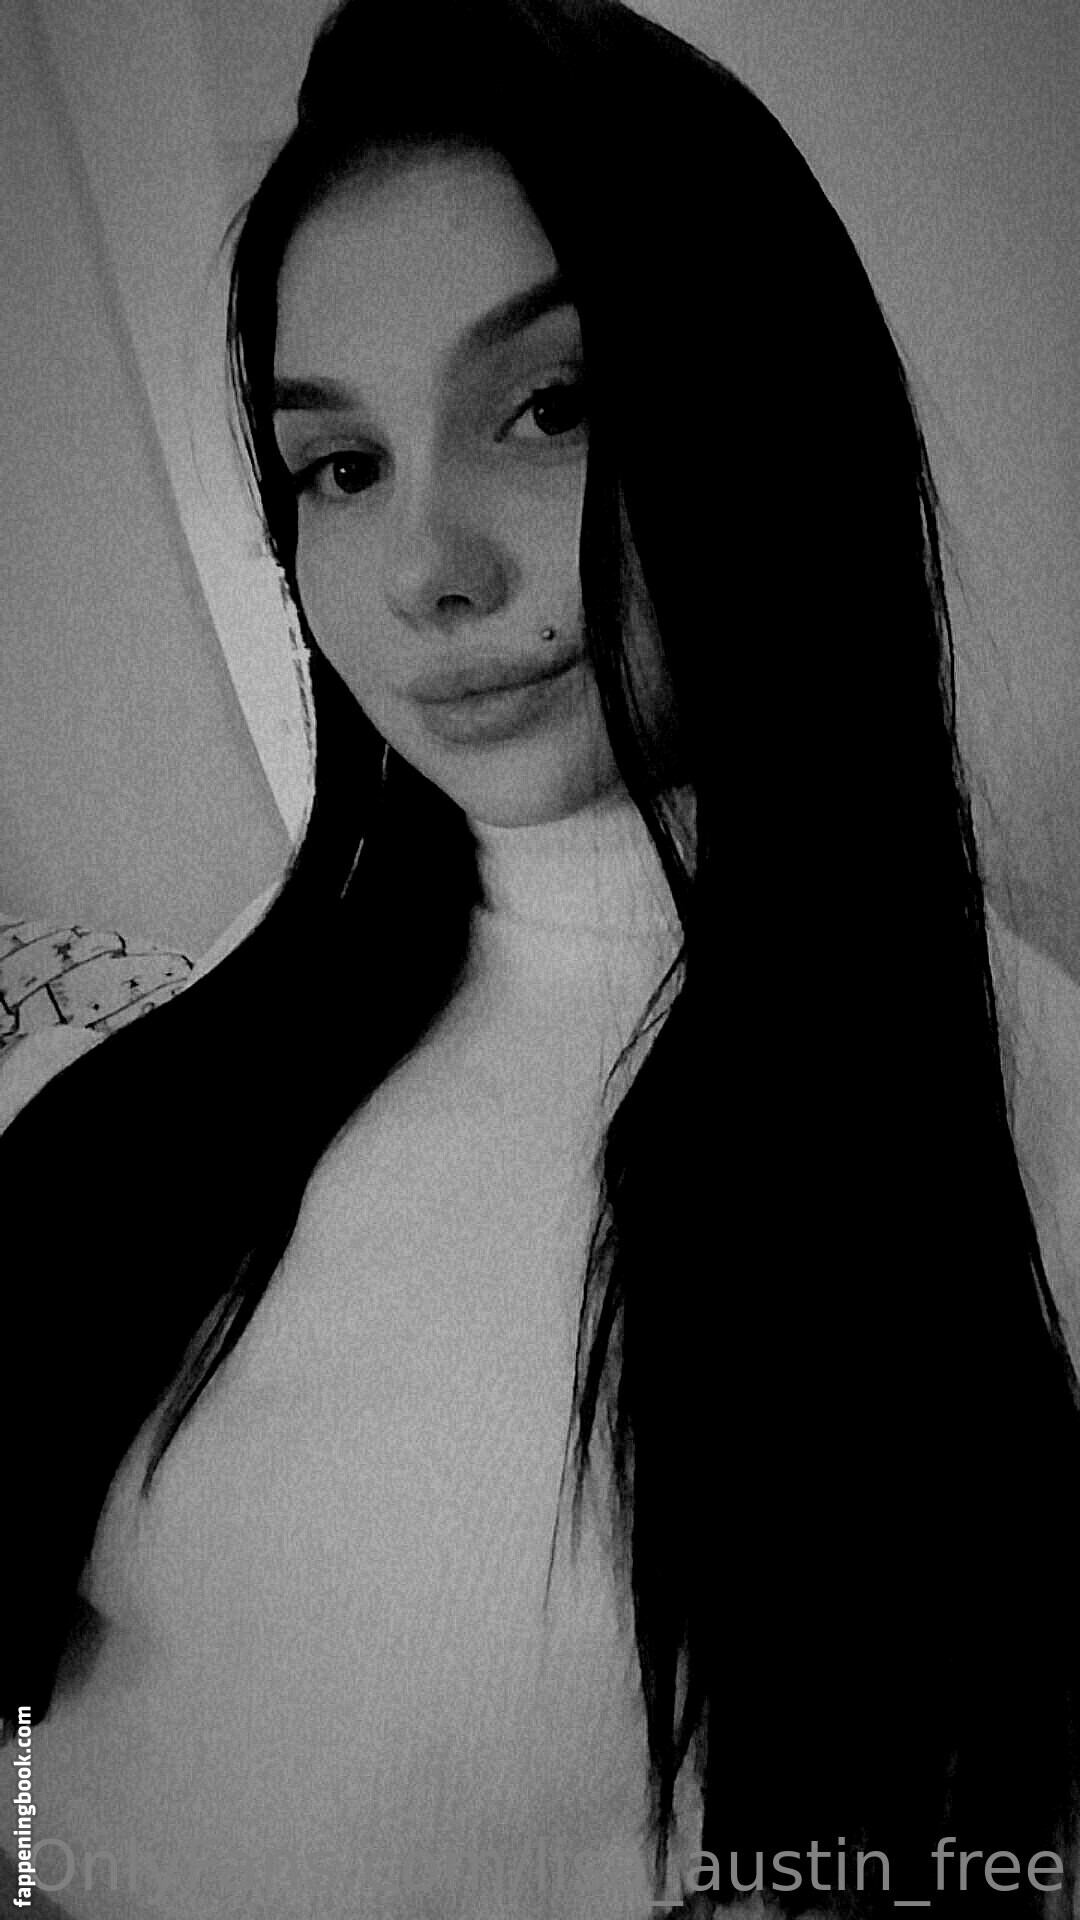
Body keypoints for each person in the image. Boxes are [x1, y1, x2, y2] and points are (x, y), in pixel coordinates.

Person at [2, 0, 1079, 1914]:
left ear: (776, 417)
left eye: (551, 407)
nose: (427, 569)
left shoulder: (1021, 1128)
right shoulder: (292, 963)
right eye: (339, 463)